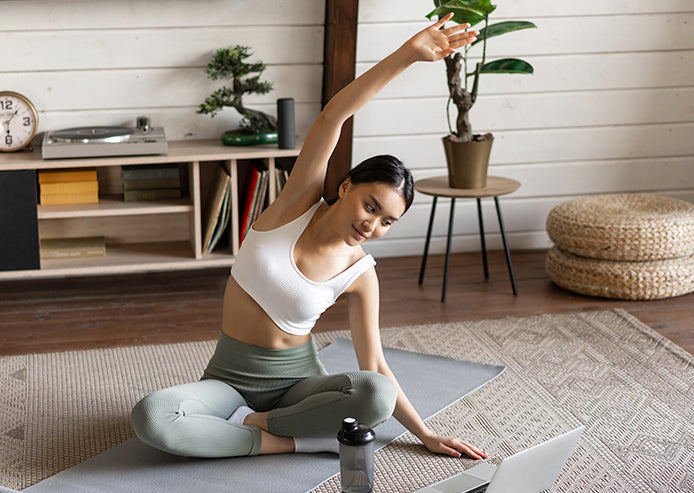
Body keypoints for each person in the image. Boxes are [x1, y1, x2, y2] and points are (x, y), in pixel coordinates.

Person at [131, 14, 486, 460]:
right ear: (345, 187)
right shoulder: (296, 204)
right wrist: (408, 55)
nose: (371, 226)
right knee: (153, 416)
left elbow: (374, 366)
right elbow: (334, 115)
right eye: (370, 206)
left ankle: (259, 429)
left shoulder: (361, 273)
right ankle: (289, 441)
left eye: (387, 222)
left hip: (299, 386)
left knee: (374, 394)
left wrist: (426, 434)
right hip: (227, 381)